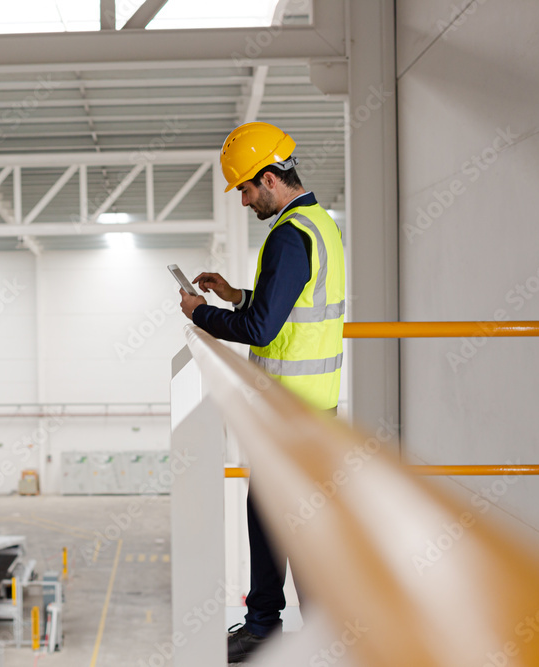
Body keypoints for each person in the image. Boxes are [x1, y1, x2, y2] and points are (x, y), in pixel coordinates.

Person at [178, 122, 345, 663]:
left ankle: (287, 629)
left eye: (247, 190)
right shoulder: (317, 226)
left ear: (270, 178)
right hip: (307, 407)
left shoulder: (290, 235)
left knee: (289, 522)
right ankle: (268, 621)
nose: (246, 201)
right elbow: (285, 307)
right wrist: (235, 293)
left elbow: (262, 330)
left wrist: (202, 314)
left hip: (290, 411)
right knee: (276, 516)